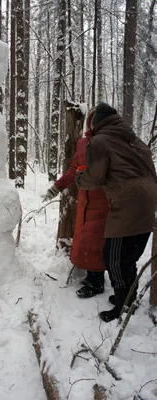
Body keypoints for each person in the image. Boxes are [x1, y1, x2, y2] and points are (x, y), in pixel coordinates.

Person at [76, 102, 157, 322]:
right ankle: (129, 299)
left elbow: (94, 178)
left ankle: (121, 307)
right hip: (149, 204)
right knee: (129, 257)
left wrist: (79, 178)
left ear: (97, 123)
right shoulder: (135, 140)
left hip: (127, 204)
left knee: (113, 258)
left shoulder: (99, 141)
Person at [43, 108, 109, 298]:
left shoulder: (110, 143)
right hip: (84, 200)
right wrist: (56, 188)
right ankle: (91, 277)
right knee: (86, 239)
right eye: (92, 120)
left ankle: (96, 282)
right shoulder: (82, 144)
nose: (94, 123)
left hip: (104, 200)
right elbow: (73, 171)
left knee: (98, 240)